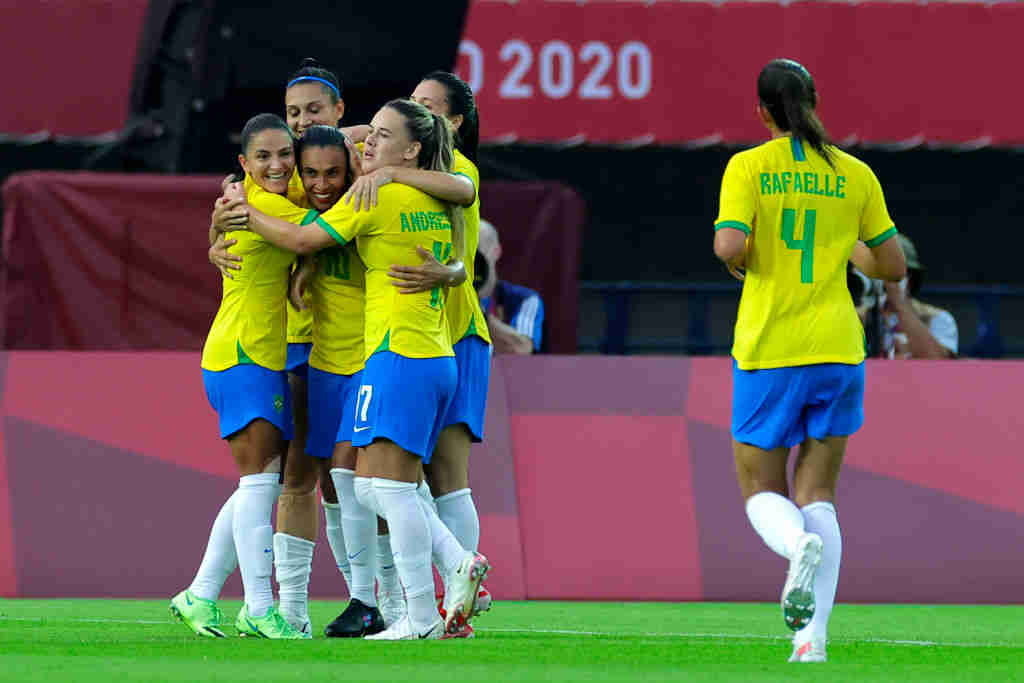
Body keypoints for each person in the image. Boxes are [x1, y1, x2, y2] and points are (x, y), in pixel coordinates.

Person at [216, 99, 490, 640]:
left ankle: (429, 602)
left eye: (381, 135)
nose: (368, 142)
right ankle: (421, 592)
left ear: (410, 148)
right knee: (373, 486)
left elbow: (300, 238)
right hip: (433, 353)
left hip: (395, 353)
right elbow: (462, 244)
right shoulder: (435, 192)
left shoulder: (375, 194)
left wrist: (244, 210)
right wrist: (452, 269)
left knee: (386, 490)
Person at [713, 59, 906, 663]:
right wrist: (845, 248)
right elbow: (892, 265)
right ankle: (811, 643)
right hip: (839, 347)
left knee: (758, 487)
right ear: (815, 101)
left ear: (762, 111)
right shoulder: (854, 174)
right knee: (818, 490)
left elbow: (730, 245)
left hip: (772, 347)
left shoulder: (748, 166)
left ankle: (795, 547)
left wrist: (739, 258)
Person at [346, 71, 494, 631]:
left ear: (452, 124)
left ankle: (457, 599)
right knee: (392, 482)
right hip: (414, 334)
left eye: (430, 107)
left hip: (453, 335)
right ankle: (431, 591)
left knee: (445, 478)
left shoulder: (454, 169)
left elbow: (463, 241)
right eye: (414, 103)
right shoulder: (400, 175)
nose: (420, 111)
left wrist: (386, 166)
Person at [170, 113, 308, 639]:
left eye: (284, 154)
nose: (276, 165)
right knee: (259, 484)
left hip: (246, 354)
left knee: (257, 486)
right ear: (244, 164)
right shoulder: (259, 204)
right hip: (244, 354)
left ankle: (200, 594)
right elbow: (303, 239)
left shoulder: (241, 200)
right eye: (264, 157)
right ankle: (259, 605)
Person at [881, 234, 958, 359]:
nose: (884, 281)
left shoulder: (937, 319)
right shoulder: (859, 318)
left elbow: (940, 364)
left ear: (910, 279)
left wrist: (899, 305)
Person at [477, 218, 544, 354]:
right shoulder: (445, 295)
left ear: (496, 251)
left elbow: (522, 349)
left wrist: (475, 310)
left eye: (476, 249)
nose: (470, 258)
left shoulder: (525, 299)